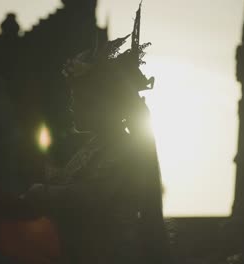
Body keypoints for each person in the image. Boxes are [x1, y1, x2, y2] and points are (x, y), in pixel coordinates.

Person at [22, 5, 170, 264]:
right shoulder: (95, 147)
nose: (70, 106)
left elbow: (94, 196)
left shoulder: (124, 148)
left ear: (102, 104)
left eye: (78, 99)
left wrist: (43, 193)